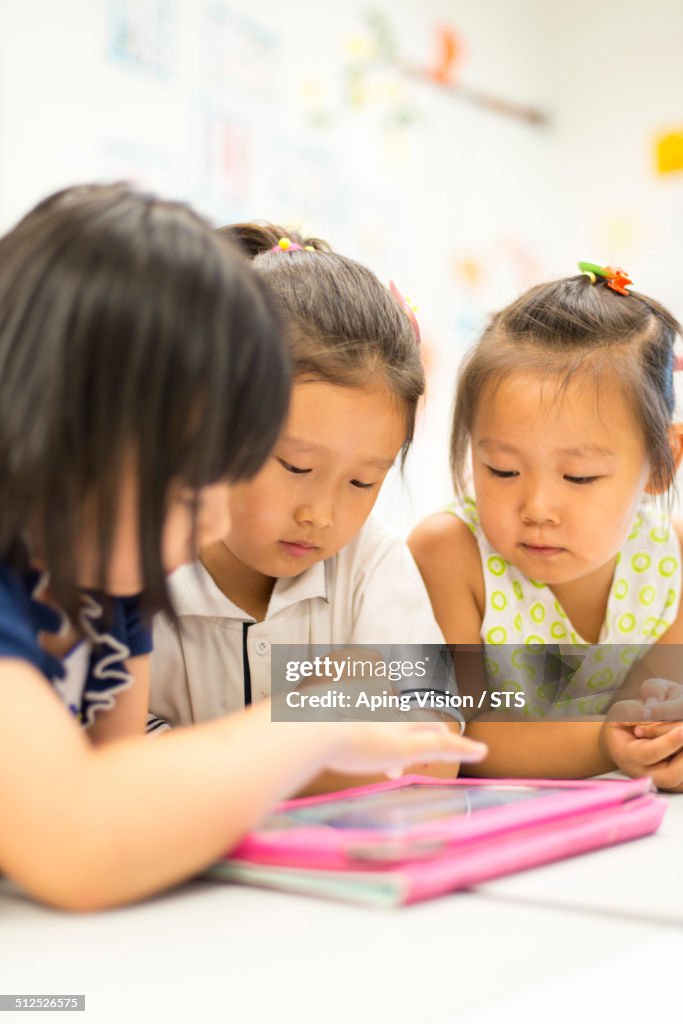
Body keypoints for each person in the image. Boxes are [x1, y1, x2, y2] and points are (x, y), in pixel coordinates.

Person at [0, 186, 486, 911]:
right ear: (80, 433)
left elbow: (130, 791)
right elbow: (84, 845)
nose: (215, 516)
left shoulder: (114, 588)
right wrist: (319, 718)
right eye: (200, 478)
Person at [409, 262, 683, 782]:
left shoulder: (674, 563)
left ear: (662, 463)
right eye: (502, 470)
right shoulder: (449, 554)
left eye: (578, 477)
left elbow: (655, 725)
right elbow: (464, 737)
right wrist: (611, 744)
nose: (537, 508)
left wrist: (664, 750)